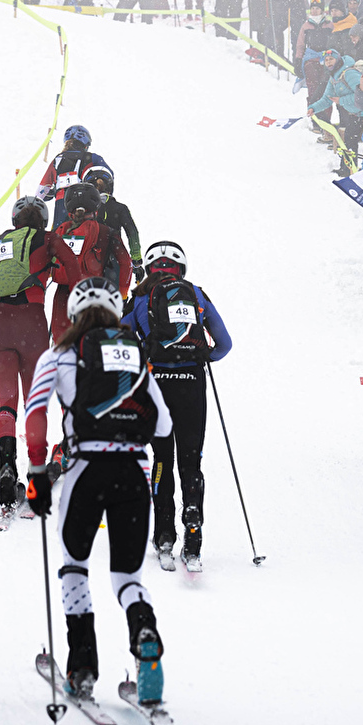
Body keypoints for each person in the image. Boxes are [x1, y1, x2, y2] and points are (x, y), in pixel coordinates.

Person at [23, 276, 173, 705]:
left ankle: (82, 668)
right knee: (127, 577)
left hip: (86, 469)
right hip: (133, 473)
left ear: (72, 313)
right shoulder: (134, 358)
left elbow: (35, 415)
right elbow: (162, 426)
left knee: (75, 565)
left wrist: (36, 476)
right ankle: (145, 642)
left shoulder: (60, 355)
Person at [121, 241, 233, 572]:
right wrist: (200, 358)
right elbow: (224, 344)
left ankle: (164, 534)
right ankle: (193, 523)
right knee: (191, 459)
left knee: (161, 459)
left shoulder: (140, 297)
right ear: (180, 268)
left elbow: (121, 339)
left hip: (157, 383)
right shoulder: (196, 294)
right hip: (192, 383)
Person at [0, 196, 80, 510]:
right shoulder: (48, 239)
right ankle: (36, 479)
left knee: (6, 403)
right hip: (31, 323)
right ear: (43, 220)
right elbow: (74, 274)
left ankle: (5, 466)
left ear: (15, 219)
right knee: (35, 402)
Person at [50, 182, 132, 340]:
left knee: (62, 340)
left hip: (63, 294)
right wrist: (121, 294)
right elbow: (125, 263)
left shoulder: (60, 232)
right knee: (93, 340)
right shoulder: (107, 232)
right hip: (94, 292)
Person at [36, 125, 110, 228]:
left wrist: (52, 192)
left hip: (61, 206)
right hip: (85, 204)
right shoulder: (93, 158)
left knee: (58, 238)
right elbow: (107, 178)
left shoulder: (57, 160)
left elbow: (41, 193)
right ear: (86, 144)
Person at [85, 164, 144, 287]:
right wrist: (136, 261)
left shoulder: (85, 210)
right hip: (114, 255)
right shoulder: (120, 208)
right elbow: (132, 233)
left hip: (89, 257)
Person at [308, 49, 363, 162]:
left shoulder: (349, 73)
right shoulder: (334, 77)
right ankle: (345, 168)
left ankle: (349, 170)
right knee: (346, 143)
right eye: (326, 60)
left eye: (331, 59)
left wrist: (341, 100)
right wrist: (313, 108)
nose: (329, 62)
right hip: (350, 114)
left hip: (360, 115)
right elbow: (326, 99)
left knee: (349, 143)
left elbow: (362, 96)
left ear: (338, 59)